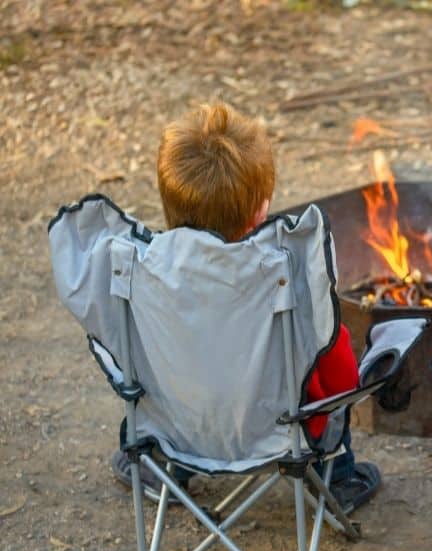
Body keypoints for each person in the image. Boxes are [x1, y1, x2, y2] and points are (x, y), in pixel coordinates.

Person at [111, 102, 380, 513]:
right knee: (326, 397)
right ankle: (337, 478)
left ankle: (160, 469)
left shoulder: (143, 276)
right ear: (261, 209)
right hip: (279, 437)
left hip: (179, 429)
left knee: (157, 395)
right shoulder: (289, 283)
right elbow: (342, 380)